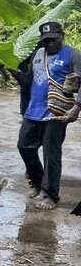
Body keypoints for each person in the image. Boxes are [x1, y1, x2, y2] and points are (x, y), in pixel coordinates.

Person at [15, 21, 81, 210]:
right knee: (24, 146)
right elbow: (29, 81)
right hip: (33, 111)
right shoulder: (38, 54)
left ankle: (51, 196)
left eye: (54, 39)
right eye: (46, 41)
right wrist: (14, 72)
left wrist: (76, 108)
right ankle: (38, 182)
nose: (50, 44)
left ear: (62, 36)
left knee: (51, 155)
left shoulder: (73, 54)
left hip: (56, 113)